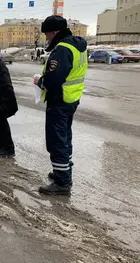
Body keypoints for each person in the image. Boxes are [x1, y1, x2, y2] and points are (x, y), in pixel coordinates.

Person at [33, 15, 88, 196]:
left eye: (47, 34)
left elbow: (54, 79)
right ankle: (63, 171)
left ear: (55, 32)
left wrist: (40, 81)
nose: (46, 38)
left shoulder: (62, 50)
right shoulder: (77, 46)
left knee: (57, 141)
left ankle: (62, 183)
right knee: (65, 137)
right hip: (71, 99)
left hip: (60, 100)